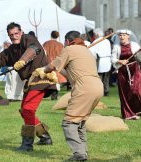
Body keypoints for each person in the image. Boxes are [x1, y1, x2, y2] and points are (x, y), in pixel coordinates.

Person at [35, 31, 103, 161]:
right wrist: (57, 68)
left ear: (67, 41)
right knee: (80, 121)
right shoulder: (86, 51)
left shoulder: (69, 49)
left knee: (69, 123)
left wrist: (42, 70)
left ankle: (79, 154)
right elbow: (70, 74)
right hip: (97, 87)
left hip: (84, 88)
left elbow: (50, 67)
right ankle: (83, 152)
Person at [0, 22, 57, 151]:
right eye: (11, 35)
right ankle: (44, 136)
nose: (14, 36)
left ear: (21, 32)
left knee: (28, 110)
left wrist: (23, 60)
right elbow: (1, 57)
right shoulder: (12, 49)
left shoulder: (28, 38)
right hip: (31, 82)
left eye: (16, 33)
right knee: (24, 111)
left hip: (41, 77)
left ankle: (27, 144)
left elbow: (34, 48)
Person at [111, 29, 141, 120]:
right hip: (122, 71)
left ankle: (138, 109)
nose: (122, 37)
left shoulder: (135, 45)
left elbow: (139, 57)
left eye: (124, 35)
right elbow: (112, 59)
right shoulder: (116, 46)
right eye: (120, 35)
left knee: (136, 90)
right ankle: (128, 114)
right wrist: (120, 61)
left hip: (134, 69)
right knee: (125, 92)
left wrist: (138, 55)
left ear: (128, 36)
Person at [43, 30, 66, 100]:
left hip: (48, 63)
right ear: (58, 36)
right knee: (57, 80)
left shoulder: (46, 44)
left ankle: (51, 93)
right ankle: (54, 94)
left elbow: (43, 54)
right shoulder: (61, 45)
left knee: (50, 79)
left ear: (51, 35)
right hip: (57, 64)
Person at [90, 28, 112, 96]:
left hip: (100, 60)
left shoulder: (96, 41)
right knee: (106, 77)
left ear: (96, 34)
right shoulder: (107, 41)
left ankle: (100, 91)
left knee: (99, 77)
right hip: (108, 60)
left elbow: (92, 52)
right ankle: (106, 90)